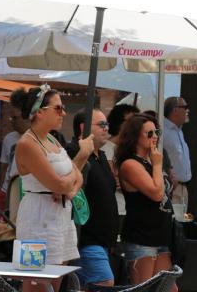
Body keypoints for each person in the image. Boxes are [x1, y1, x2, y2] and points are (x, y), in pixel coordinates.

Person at [10, 85, 89, 292]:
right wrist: (65, 184)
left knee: (55, 283)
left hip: (60, 215)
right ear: (40, 111)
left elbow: (77, 177)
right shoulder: (27, 144)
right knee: (36, 285)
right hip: (37, 219)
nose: (63, 113)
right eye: (58, 108)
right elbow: (62, 182)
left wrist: (68, 189)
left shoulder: (52, 139)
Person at [116, 114, 175, 290]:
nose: (155, 136)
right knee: (144, 288)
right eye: (149, 133)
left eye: (157, 132)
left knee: (168, 288)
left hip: (161, 236)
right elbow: (156, 193)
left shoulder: (150, 160)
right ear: (135, 136)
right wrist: (157, 165)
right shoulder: (130, 164)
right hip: (142, 237)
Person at [65, 109, 118, 287]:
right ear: (84, 127)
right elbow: (67, 183)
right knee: (104, 281)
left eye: (107, 124)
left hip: (103, 240)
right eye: (101, 124)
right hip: (86, 238)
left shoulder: (101, 156)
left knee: (83, 285)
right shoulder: (73, 151)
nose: (106, 129)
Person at [104, 104, 140, 223]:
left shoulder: (131, 150)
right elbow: (115, 180)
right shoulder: (106, 148)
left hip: (130, 209)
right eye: (131, 122)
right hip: (116, 210)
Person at [0, 107, 30, 207]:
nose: (12, 121)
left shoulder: (35, 139)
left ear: (26, 118)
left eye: (15, 118)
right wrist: (0, 189)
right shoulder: (8, 138)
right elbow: (4, 166)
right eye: (11, 118)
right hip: (7, 189)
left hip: (25, 192)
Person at [162, 96, 191, 205]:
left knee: (181, 220)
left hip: (183, 187)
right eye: (185, 107)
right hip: (171, 188)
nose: (188, 110)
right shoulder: (162, 130)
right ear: (175, 110)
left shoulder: (178, 130)